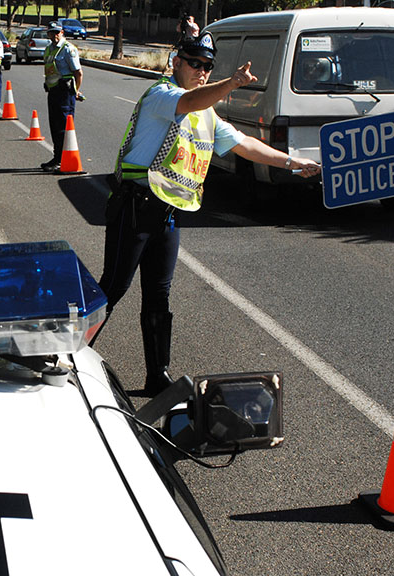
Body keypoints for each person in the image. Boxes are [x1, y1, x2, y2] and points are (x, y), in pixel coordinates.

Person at [98, 32, 321, 395]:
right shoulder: (163, 95)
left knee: (159, 296)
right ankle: (67, 358)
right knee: (113, 287)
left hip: (169, 213)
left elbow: (244, 143)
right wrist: (232, 82)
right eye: (195, 63)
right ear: (176, 63)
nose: (202, 71)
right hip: (136, 207)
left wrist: (292, 162)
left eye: (208, 66)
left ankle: (158, 375)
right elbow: (190, 99)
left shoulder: (207, 115)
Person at [40, 22, 83, 171]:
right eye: (52, 32)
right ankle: (57, 156)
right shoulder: (49, 49)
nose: (54, 35)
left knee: (64, 126)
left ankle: (63, 159)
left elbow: (78, 73)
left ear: (62, 32)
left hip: (65, 92)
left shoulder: (68, 49)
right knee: (55, 125)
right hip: (52, 90)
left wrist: (76, 90)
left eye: (57, 32)